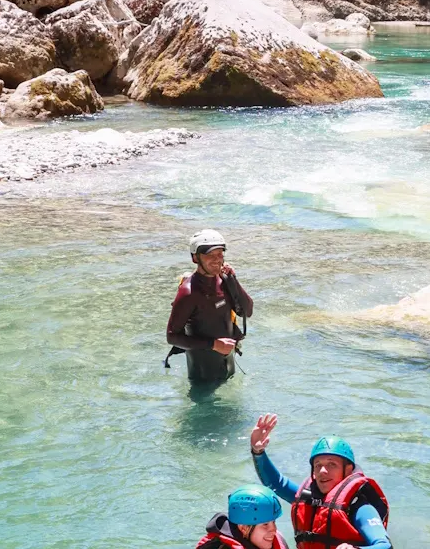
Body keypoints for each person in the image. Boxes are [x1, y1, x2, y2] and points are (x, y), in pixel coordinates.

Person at [249, 414, 391, 549]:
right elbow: (276, 484)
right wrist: (258, 452)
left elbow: (384, 544)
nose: (323, 471)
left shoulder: (359, 507)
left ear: (348, 470)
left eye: (331, 465)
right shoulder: (307, 498)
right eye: (318, 465)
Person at [166, 229, 254, 383]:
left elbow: (247, 311)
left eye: (220, 254)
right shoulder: (188, 293)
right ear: (195, 258)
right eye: (210, 255)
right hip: (202, 374)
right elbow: (172, 337)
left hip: (228, 363)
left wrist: (233, 279)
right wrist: (214, 345)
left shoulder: (225, 281)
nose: (217, 260)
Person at [196, 485, 290, 549]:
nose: (273, 530)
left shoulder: (276, 540)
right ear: (244, 528)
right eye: (265, 524)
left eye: (273, 522)